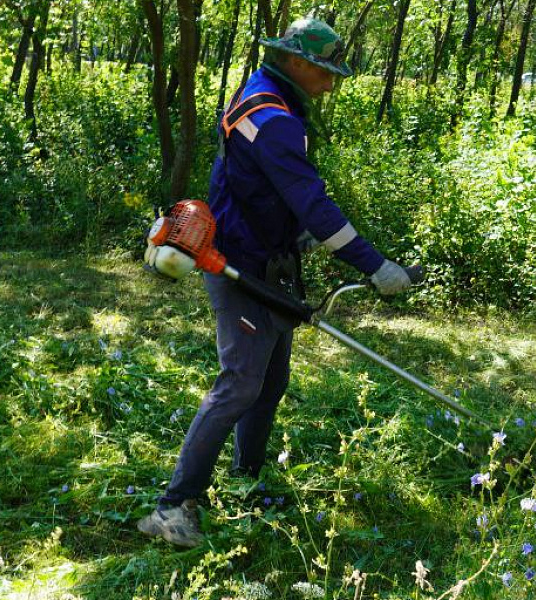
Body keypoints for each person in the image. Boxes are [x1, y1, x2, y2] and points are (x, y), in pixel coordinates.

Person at [137, 17, 415, 547]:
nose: (332, 83)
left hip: (268, 262)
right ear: (297, 62)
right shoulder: (274, 116)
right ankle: (171, 508)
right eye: (327, 72)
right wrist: (373, 265)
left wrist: (296, 234)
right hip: (240, 267)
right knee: (239, 385)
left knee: (270, 383)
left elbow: (266, 187)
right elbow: (310, 198)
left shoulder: (264, 95)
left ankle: (245, 481)